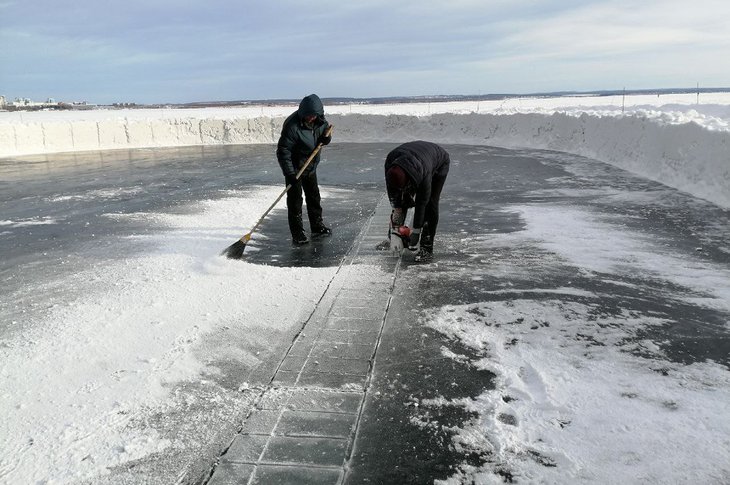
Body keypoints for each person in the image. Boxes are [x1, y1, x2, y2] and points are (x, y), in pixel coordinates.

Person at [276, 94, 333, 245]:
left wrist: (326, 139)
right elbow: (283, 151)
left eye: (313, 115)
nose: (311, 118)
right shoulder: (292, 126)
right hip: (295, 169)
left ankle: (317, 226)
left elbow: (325, 133)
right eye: (308, 116)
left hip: (310, 166)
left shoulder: (320, 121)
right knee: (295, 202)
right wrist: (290, 173)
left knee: (314, 197)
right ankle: (298, 233)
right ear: (302, 113)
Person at [382, 141, 450, 263]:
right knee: (401, 200)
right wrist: (395, 232)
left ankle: (426, 248)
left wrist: (416, 232)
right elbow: (395, 201)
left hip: (438, 162)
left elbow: (421, 203)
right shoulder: (390, 165)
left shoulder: (423, 171)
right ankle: (394, 238)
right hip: (412, 158)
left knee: (430, 204)